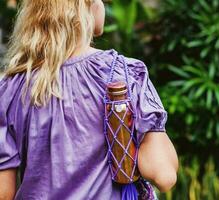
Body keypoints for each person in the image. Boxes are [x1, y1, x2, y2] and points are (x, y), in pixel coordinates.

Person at [0, 0, 178, 199]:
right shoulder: (123, 73)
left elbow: (4, 192)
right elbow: (163, 176)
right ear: (88, 5)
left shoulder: (10, 88)